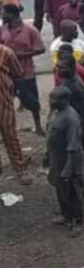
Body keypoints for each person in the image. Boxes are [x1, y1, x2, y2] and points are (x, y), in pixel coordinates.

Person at [55, 49, 84, 210]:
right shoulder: (68, 80)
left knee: (80, 163)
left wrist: (78, 135)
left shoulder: (74, 86)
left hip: (79, 129)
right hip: (76, 127)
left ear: (73, 67)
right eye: (58, 67)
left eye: (62, 68)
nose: (59, 70)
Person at [45, 87, 84, 235]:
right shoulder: (56, 113)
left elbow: (73, 146)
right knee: (60, 188)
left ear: (64, 100)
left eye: (54, 98)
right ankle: (66, 216)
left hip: (69, 160)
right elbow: (50, 135)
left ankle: (79, 222)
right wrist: (47, 156)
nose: (50, 101)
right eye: (51, 97)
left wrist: (69, 168)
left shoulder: (71, 118)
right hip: (56, 158)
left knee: (73, 191)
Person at [0, 4, 45, 135]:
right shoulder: (3, 29)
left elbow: (40, 49)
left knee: (32, 100)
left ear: (13, 15)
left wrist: (17, 55)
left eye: (4, 13)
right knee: (4, 102)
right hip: (6, 73)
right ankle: (5, 130)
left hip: (25, 73)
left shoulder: (30, 30)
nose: (2, 16)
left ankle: (38, 126)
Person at [0, 42, 28, 184]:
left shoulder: (6, 52)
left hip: (4, 102)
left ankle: (20, 169)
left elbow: (17, 75)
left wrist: (19, 96)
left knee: (11, 137)